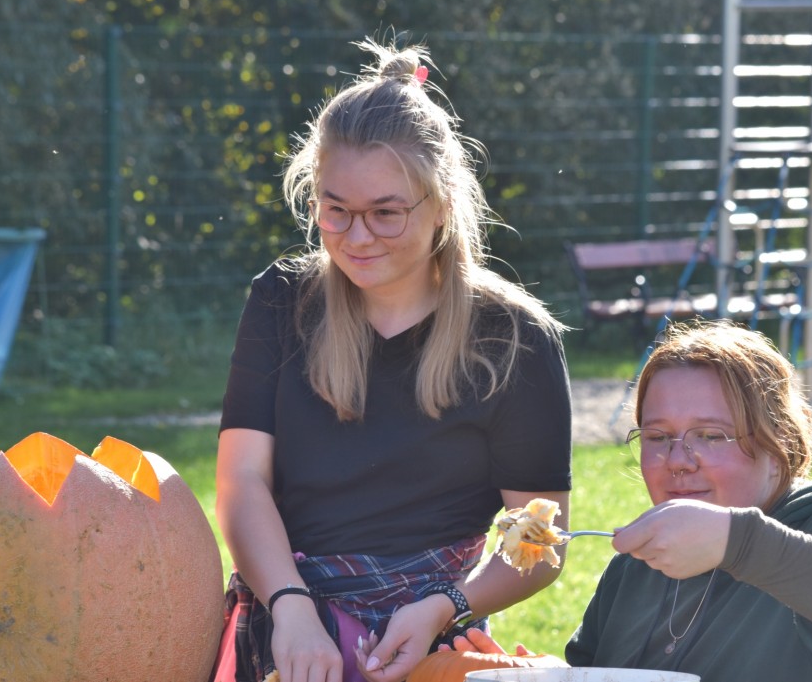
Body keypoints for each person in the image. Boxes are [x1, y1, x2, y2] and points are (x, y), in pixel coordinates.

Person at [211, 35, 573, 682]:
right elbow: (242, 483)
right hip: (284, 626)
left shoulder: (515, 337)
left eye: (385, 213)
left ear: (440, 204)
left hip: (429, 641)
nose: (357, 237)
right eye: (335, 210)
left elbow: (540, 540)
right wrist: (292, 607)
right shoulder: (280, 301)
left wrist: (445, 605)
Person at [443, 320, 812, 682]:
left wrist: (738, 542)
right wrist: (553, 676)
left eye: (710, 435)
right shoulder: (637, 567)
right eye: (658, 437)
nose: (678, 460)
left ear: (780, 444)